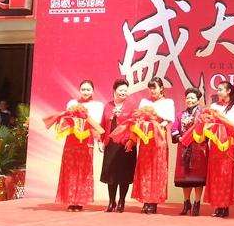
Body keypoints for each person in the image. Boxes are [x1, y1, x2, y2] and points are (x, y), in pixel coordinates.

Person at [55, 80, 104, 211]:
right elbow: (66, 121)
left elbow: (96, 124)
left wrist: (84, 116)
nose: (85, 92)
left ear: (93, 91)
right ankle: (71, 200)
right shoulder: (72, 103)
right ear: (79, 90)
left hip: (86, 140)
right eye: (83, 89)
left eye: (88, 89)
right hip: (72, 140)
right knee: (70, 170)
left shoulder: (98, 105)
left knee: (83, 170)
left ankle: (80, 201)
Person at [131, 77, 175, 214]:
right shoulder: (144, 102)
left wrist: (159, 124)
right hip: (146, 139)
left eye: (154, 88)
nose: (152, 91)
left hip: (159, 138)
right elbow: (138, 118)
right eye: (150, 88)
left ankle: (154, 201)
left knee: (157, 168)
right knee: (145, 168)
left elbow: (168, 119)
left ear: (161, 88)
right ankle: (145, 200)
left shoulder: (168, 102)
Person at [204, 81, 234, 218]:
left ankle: (225, 206)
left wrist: (218, 116)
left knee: (226, 174)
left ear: (229, 91)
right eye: (217, 89)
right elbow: (208, 123)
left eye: (221, 89)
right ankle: (217, 205)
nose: (218, 92)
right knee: (215, 174)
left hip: (227, 145)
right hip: (215, 144)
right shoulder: (214, 106)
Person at [99, 79, 136, 213]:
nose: (123, 92)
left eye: (125, 90)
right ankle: (111, 202)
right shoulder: (108, 106)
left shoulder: (132, 106)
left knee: (124, 174)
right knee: (111, 174)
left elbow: (135, 125)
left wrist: (131, 141)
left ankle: (121, 201)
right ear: (114, 91)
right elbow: (103, 124)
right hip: (111, 144)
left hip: (126, 144)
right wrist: (101, 141)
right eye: (121, 90)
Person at [172, 87, 208, 216]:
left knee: (198, 177)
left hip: (199, 148)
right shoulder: (180, 115)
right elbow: (174, 129)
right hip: (184, 148)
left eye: (192, 98)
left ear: (198, 100)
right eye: (188, 98)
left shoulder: (203, 115)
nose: (189, 100)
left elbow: (207, 130)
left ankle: (197, 204)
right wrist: (179, 137)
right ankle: (186, 203)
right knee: (185, 178)